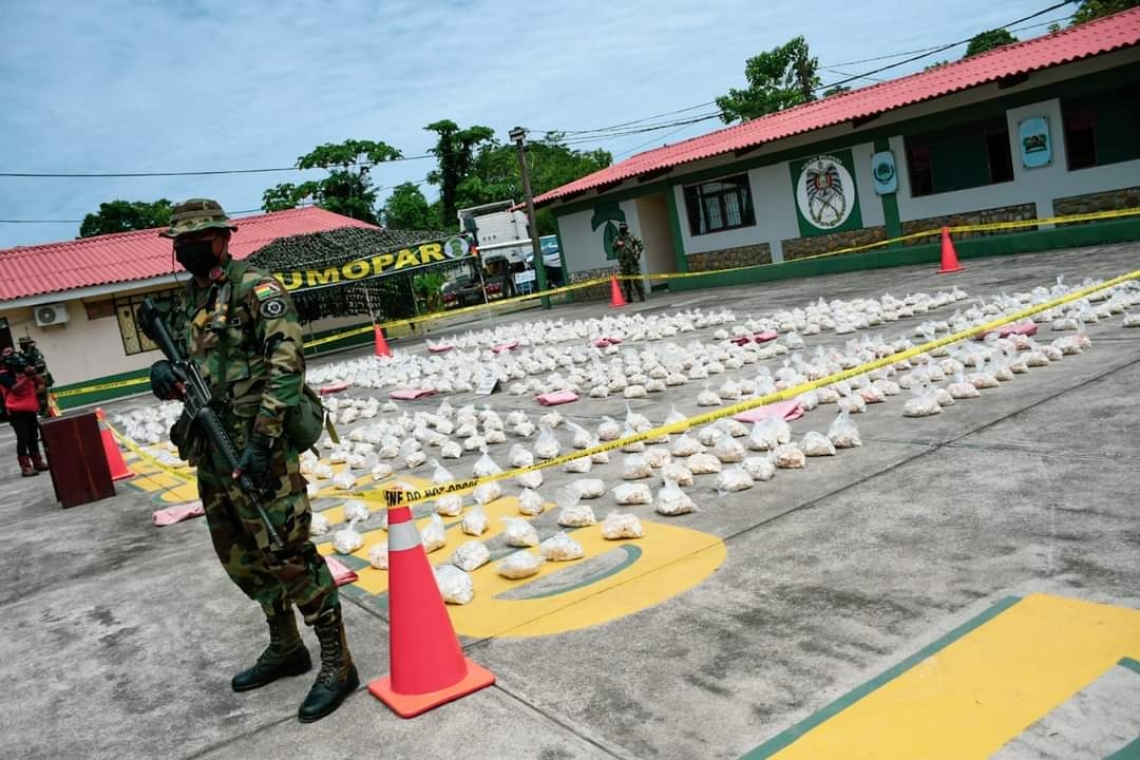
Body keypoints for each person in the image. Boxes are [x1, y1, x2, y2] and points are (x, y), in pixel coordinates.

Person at [144, 198, 357, 723]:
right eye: (182, 241)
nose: (189, 248)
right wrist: (162, 373)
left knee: (287, 551)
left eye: (199, 238)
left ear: (223, 238)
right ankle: (286, 647)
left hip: (260, 448)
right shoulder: (186, 300)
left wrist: (262, 444)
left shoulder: (256, 288)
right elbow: (185, 364)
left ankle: (338, 661)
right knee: (241, 554)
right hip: (211, 448)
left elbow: (287, 365)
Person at [0, 347, 49, 476]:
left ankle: (37, 462)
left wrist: (31, 372)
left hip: (30, 408)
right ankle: (25, 467)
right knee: (23, 437)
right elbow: (14, 389)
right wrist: (27, 377)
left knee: (33, 436)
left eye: (12, 351)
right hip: (16, 411)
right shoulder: (4, 374)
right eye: (7, 352)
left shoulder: (23, 369)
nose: (12, 354)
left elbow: (42, 383)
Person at [17, 337, 54, 417]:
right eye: (21, 344)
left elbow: (41, 365)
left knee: (42, 396)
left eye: (23, 344)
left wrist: (31, 369)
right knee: (35, 396)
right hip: (30, 379)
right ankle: (40, 411)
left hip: (41, 377)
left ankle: (46, 411)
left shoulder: (35, 352)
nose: (21, 346)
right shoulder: (21, 354)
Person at [614, 222, 645, 303]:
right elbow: (613, 247)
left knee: (637, 280)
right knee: (626, 281)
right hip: (624, 263)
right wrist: (617, 244)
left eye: (624, 228)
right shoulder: (617, 238)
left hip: (632, 262)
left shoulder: (632, 236)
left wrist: (637, 253)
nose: (622, 229)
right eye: (621, 228)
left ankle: (641, 296)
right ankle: (629, 297)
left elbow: (640, 245)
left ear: (626, 228)